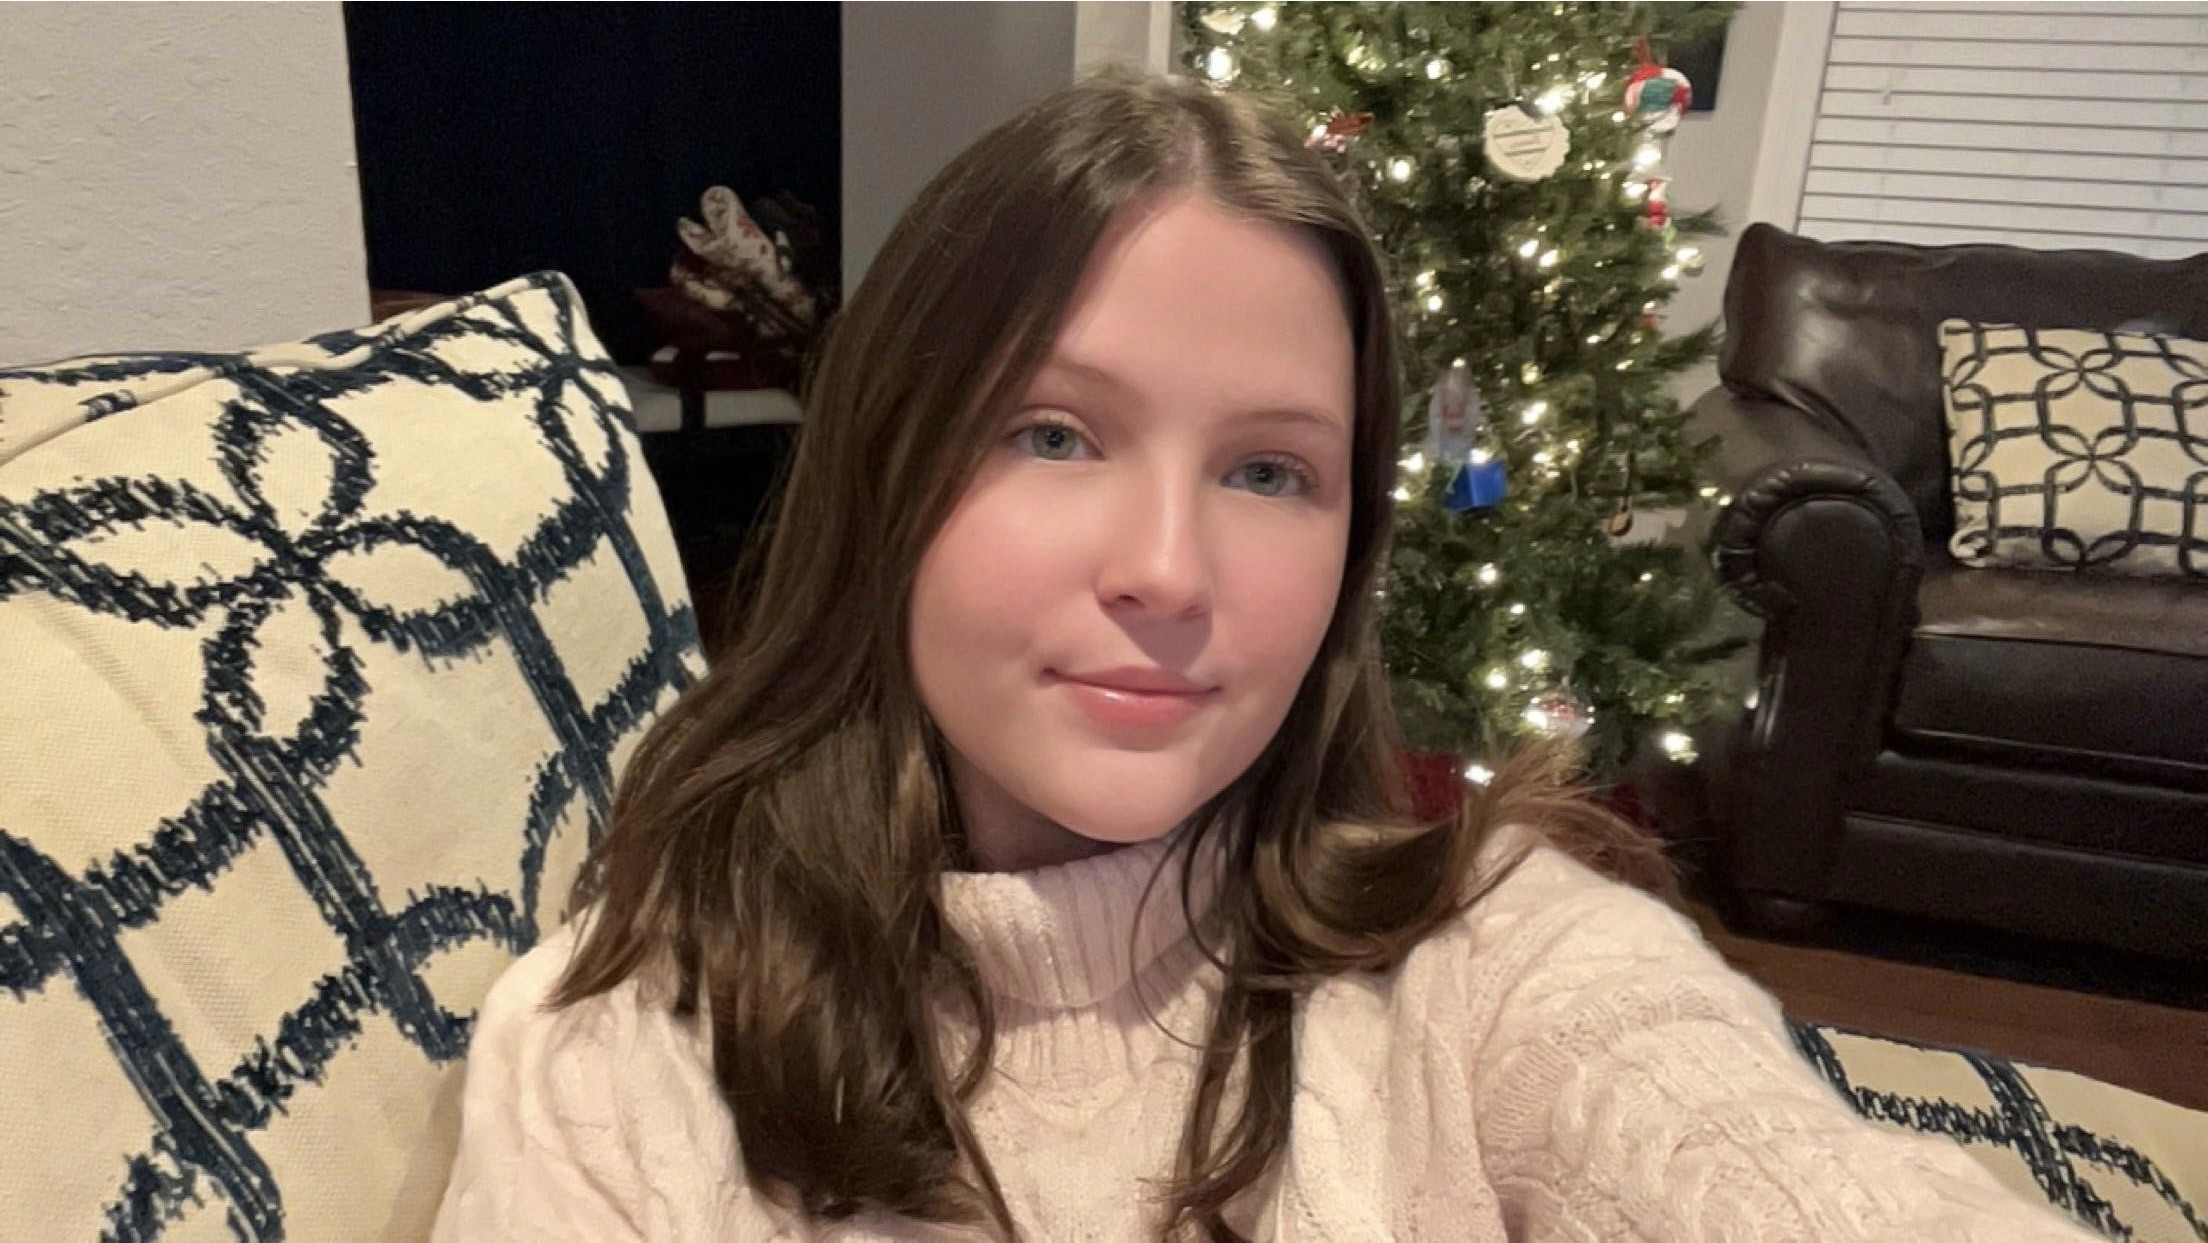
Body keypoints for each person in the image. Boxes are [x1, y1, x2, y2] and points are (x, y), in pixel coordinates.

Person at [432, 73, 2097, 1242]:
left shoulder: (1495, 956)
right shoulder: (623, 1058)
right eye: (1054, 433)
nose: (1169, 571)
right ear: (886, 471)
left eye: (1270, 472)